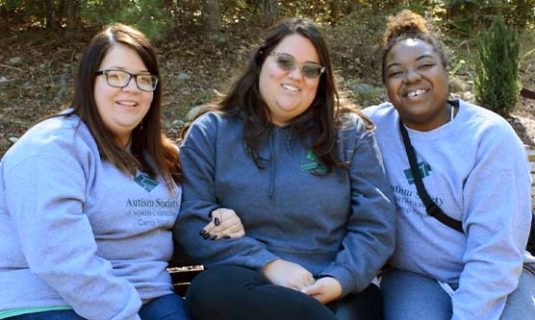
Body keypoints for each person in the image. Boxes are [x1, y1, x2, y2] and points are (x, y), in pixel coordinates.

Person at [0, 23, 242, 320]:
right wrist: (123, 314)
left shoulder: (160, 157)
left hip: (149, 296)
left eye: (143, 79)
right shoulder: (51, 148)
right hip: (47, 300)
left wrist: (218, 221)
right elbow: (59, 259)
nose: (131, 88)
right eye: (116, 76)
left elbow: (185, 225)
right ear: (90, 81)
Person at [173, 17, 395, 320]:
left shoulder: (347, 133)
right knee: (207, 293)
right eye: (285, 61)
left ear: (321, 80)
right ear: (261, 61)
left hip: (334, 286)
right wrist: (269, 264)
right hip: (246, 284)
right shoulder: (212, 132)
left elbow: (375, 223)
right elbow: (193, 218)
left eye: (310, 69)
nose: (296, 76)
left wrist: (339, 280)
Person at [363, 9, 535, 320]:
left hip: (501, 273)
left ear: (446, 69)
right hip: (415, 275)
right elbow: (309, 129)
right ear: (386, 87)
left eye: (425, 65)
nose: (411, 77)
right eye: (396, 71)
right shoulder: (371, 127)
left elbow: (495, 253)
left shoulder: (489, 137)